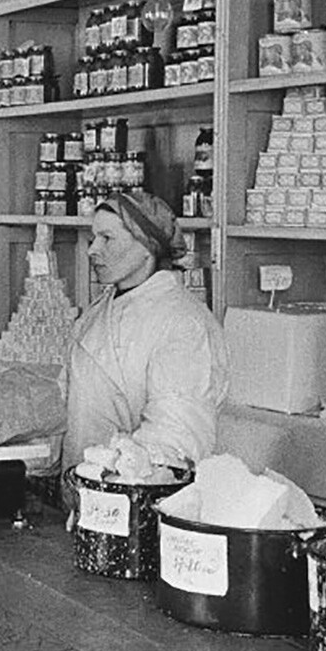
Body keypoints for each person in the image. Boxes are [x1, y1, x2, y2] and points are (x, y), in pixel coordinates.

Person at [63, 191, 229, 474]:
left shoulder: (183, 323)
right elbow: (71, 396)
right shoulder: (100, 309)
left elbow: (176, 436)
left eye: (107, 238)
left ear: (145, 246)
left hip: (137, 496)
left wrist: (116, 472)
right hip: (85, 489)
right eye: (94, 238)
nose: (92, 250)